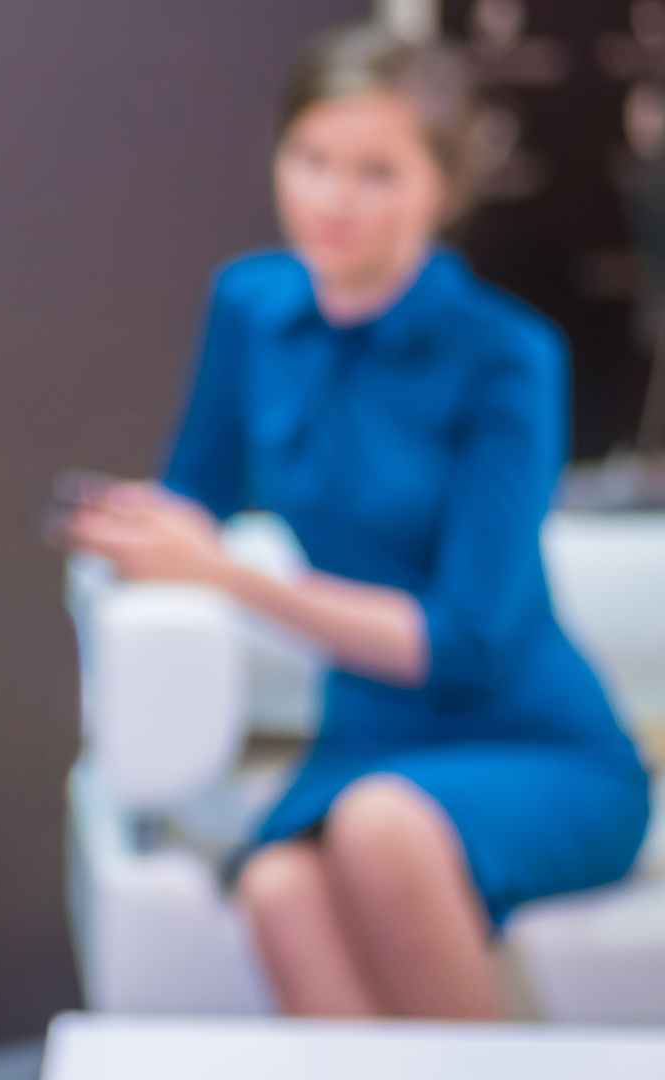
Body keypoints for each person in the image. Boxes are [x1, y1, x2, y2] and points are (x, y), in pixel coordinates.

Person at [60, 23, 651, 1019]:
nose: (333, 199)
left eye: (377, 172)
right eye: (313, 160)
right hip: (368, 738)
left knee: (380, 827)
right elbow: (194, 496)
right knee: (278, 889)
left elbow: (465, 644)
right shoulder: (250, 306)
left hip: (530, 738)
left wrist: (230, 578)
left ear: (443, 190)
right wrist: (132, 528)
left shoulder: (508, 355)